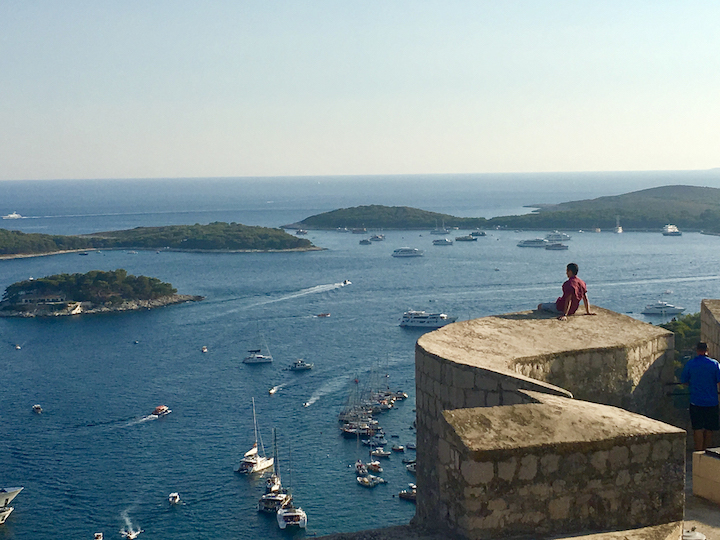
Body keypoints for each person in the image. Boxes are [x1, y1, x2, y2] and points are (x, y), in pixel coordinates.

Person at [681, 342, 720, 451]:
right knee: (709, 429)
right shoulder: (715, 364)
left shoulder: (691, 364)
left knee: (697, 428)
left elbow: (684, 380)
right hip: (712, 402)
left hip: (696, 401)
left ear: (697, 350)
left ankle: (698, 451)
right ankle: (706, 450)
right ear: (707, 350)